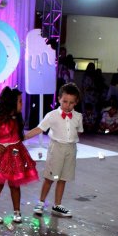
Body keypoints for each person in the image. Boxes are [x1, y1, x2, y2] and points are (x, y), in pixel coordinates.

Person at [0, 87, 39, 224]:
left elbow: (17, 137)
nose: (22, 104)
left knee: (15, 184)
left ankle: (17, 211)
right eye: (20, 101)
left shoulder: (16, 119)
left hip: (15, 153)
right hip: (2, 155)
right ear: (11, 103)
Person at [24, 83, 83, 218]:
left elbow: (78, 131)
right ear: (59, 99)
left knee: (63, 178)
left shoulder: (78, 116)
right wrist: (24, 137)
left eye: (71, 103)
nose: (67, 105)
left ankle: (57, 205)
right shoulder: (52, 115)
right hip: (56, 148)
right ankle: (41, 202)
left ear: (76, 102)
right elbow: (39, 128)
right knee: (50, 178)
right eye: (65, 101)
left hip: (71, 149)